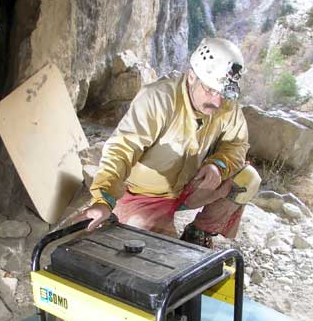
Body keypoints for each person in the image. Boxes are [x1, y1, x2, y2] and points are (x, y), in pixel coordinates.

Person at [76, 37, 261, 248]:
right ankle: (146, 223)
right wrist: (102, 199)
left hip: (190, 186)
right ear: (192, 77)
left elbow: (237, 144)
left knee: (247, 179)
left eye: (223, 93)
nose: (217, 101)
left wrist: (218, 165)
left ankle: (198, 232)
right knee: (161, 255)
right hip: (143, 196)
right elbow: (122, 149)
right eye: (210, 90)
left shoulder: (226, 105)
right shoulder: (158, 99)